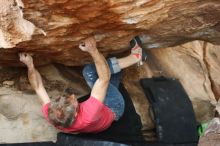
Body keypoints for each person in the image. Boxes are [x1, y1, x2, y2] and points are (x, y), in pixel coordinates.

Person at [19, 36, 147, 133]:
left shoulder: (53, 115)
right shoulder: (89, 113)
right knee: (90, 72)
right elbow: (104, 78)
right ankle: (137, 57)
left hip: (99, 122)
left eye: (65, 98)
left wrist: (29, 65)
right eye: (72, 101)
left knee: (108, 72)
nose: (73, 96)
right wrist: (93, 50)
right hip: (113, 107)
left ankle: (117, 66)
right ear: (75, 114)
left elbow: (38, 87)